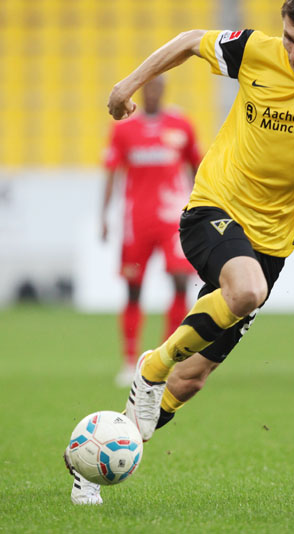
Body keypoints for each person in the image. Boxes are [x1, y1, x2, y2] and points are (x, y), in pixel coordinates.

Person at [64, 0, 294, 505]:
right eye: (289, 38)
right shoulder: (255, 51)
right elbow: (188, 41)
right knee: (245, 291)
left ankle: (90, 465)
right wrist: (126, 85)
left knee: (190, 379)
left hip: (272, 243)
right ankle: (150, 367)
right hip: (214, 209)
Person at [101, 75, 202, 388]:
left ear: (164, 90)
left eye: (159, 88)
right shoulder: (124, 129)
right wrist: (104, 215)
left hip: (172, 219)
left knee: (181, 282)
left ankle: (167, 360)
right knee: (133, 288)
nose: (154, 93)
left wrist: (203, 210)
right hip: (137, 221)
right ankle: (129, 360)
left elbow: (197, 168)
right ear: (142, 92)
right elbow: (111, 173)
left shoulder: (181, 124)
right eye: (150, 88)